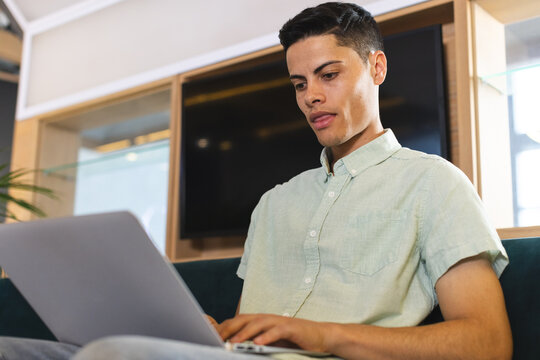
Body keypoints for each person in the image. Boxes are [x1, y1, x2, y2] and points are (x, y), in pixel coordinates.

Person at [0, 2, 512, 360]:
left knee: (115, 355)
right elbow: (252, 333)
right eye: (298, 83)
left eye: (328, 75)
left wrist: (321, 335)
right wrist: (211, 332)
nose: (310, 95)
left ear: (376, 67)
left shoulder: (435, 184)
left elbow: (487, 343)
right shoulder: (274, 204)